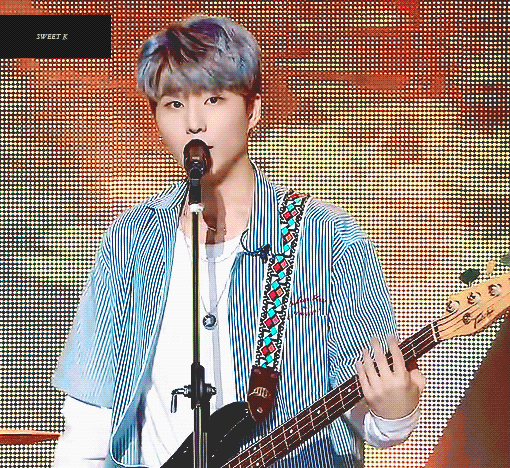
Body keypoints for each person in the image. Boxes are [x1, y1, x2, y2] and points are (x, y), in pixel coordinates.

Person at [51, 15, 425, 468]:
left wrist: (396, 410)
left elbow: (371, 417)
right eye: (173, 104)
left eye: (213, 99)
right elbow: (90, 420)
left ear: (252, 111)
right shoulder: (130, 240)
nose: (194, 123)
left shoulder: (327, 239)